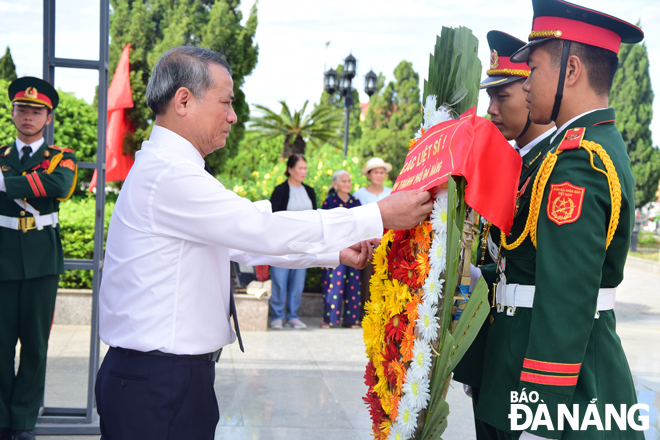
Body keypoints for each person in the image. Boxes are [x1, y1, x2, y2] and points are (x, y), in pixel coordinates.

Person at [94, 46, 432, 440]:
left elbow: (241, 243)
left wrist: (332, 253)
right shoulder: (170, 175)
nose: (233, 115)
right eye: (225, 101)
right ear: (183, 100)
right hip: (157, 381)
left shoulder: (171, 169)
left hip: (164, 377)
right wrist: (377, 215)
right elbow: (258, 229)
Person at [475, 1, 645, 439]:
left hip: (569, 399)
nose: (526, 82)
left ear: (571, 71)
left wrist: (538, 421)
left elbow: (564, 303)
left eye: (533, 69)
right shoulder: (576, 150)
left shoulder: (580, 162)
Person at [452, 31, 556, 440]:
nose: (491, 110)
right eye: (489, 98)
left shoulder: (551, 168)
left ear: (531, 92)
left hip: (525, 358)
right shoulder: (516, 163)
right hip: (496, 350)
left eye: (504, 97)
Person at [0, 77, 78, 440]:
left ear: (48, 117)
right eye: (22, 109)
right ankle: (2, 419)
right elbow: (44, 185)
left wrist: (4, 184)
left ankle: (23, 422)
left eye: (36, 111)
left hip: (42, 260)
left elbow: (59, 187)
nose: (28, 116)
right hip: (2, 257)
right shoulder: (1, 153)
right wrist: (34, 182)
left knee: (35, 345)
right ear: (12, 112)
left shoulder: (62, 158)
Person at [267, 154, 316, 330]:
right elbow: (273, 218)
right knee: (279, 281)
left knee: (298, 282)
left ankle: (293, 316)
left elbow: (315, 217)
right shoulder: (280, 190)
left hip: (304, 245)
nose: (303, 172)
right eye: (300, 168)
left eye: (305, 168)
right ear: (290, 170)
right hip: (282, 244)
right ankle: (277, 316)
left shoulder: (309, 191)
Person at [320, 170, 363, 329]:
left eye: (349, 181)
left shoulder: (356, 202)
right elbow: (324, 228)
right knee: (334, 285)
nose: (347, 184)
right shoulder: (329, 202)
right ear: (335, 184)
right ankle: (330, 319)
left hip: (353, 249)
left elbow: (361, 226)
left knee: (353, 285)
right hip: (334, 249)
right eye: (343, 181)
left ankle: (351, 320)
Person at [353, 157, 393, 319]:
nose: (379, 175)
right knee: (367, 280)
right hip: (367, 243)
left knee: (388, 279)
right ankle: (366, 314)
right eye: (376, 172)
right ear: (369, 175)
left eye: (382, 172)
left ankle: (386, 313)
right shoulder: (359, 194)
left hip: (388, 243)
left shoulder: (391, 193)